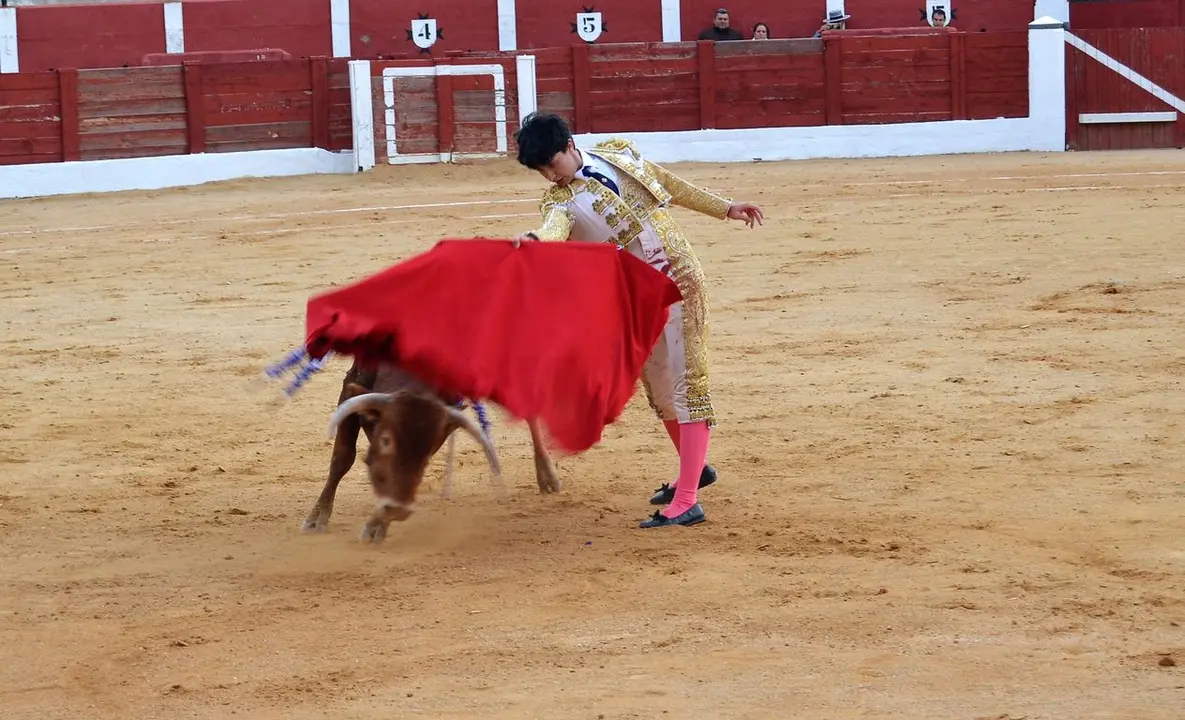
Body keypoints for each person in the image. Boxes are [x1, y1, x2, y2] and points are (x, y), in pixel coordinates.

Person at [510, 112, 764, 529]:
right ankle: (694, 471)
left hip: (680, 279)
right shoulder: (559, 202)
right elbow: (553, 228)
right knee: (661, 387)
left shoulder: (618, 154)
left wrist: (726, 208)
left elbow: (670, 184)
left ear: (570, 146)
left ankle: (687, 502)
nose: (547, 176)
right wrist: (536, 241)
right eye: (539, 170)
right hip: (637, 298)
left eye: (550, 164)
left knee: (686, 385)